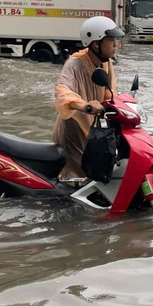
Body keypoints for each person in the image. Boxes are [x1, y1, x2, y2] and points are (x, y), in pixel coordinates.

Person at [52, 16, 124, 182]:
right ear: (96, 43)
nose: (115, 45)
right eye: (111, 40)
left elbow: (110, 91)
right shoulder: (74, 64)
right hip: (73, 131)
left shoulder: (106, 64)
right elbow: (63, 90)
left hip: (92, 130)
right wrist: (84, 106)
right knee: (74, 181)